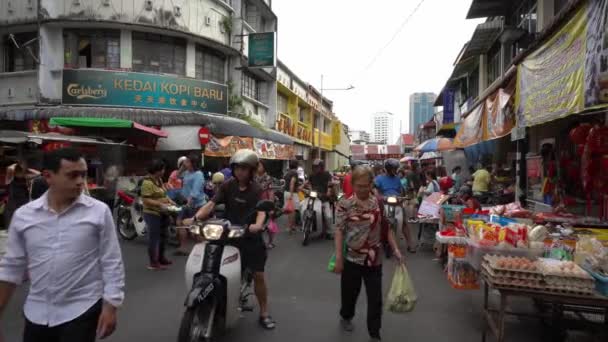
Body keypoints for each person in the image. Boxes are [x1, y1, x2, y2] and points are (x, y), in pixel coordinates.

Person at [0, 148, 125, 342]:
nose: (80, 181)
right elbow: (11, 268)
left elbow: (111, 261)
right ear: (49, 176)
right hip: (36, 312)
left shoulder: (98, 213)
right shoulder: (24, 216)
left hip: (82, 310)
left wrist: (111, 306)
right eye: (72, 175)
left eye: (83, 175)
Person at [187, 149, 276, 330]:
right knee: (211, 264)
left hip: (250, 237)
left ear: (251, 170)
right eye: (237, 168)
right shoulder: (227, 185)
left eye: (244, 168)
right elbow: (211, 204)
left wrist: (258, 225)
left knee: (258, 275)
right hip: (228, 235)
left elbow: (261, 211)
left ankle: (264, 312)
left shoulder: (257, 189)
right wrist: (196, 217)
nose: (240, 172)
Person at [334, 165, 403, 342]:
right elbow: (339, 231)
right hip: (352, 258)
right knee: (350, 294)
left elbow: (386, 228)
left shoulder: (378, 203)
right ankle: (346, 316)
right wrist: (339, 259)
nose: (363, 189)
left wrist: (395, 249)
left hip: (374, 259)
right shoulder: (344, 204)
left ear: (371, 184)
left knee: (375, 299)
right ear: (353, 185)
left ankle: (374, 333)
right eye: (359, 185)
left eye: (366, 185)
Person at [374, 159, 415, 253]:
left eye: (396, 168)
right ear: (388, 168)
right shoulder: (379, 178)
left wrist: (403, 196)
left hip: (397, 203)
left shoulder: (397, 179)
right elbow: (375, 190)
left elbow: (401, 190)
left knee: (404, 222)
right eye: (393, 168)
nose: (395, 170)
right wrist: (380, 197)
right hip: (385, 203)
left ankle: (410, 244)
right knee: (380, 222)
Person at [140, 159, 175, 270]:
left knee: (163, 236)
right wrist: (160, 204)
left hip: (163, 212)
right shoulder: (147, 183)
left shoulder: (158, 180)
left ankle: (161, 258)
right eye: (162, 169)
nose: (164, 171)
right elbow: (146, 200)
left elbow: (164, 193)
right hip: (152, 213)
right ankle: (153, 262)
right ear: (156, 170)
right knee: (154, 238)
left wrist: (169, 201)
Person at [175, 155, 206, 256]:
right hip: (186, 203)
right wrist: (182, 167)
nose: (185, 163)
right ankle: (183, 247)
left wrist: (188, 203)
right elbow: (177, 176)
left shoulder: (198, 174)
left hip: (196, 205)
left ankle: (204, 247)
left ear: (193, 163)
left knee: (194, 230)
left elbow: (195, 191)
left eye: (187, 162)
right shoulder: (187, 173)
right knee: (180, 223)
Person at [4, 158, 39, 228]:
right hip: (13, 204)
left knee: (23, 224)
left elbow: (38, 173)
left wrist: (27, 169)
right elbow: (9, 168)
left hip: (24, 203)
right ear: (15, 171)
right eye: (19, 171)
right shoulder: (10, 178)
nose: (20, 173)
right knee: (12, 225)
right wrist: (16, 165)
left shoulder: (25, 177)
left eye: (21, 171)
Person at [304, 159, 334, 239]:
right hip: (314, 198)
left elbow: (330, 184)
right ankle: (306, 225)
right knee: (304, 207)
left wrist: (328, 191)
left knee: (328, 216)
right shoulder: (311, 175)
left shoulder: (327, 175)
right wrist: (306, 187)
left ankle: (329, 232)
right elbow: (308, 183)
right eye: (315, 167)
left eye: (318, 167)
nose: (316, 168)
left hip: (323, 198)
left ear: (322, 167)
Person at [255, 161, 276, 249]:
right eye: (257, 166)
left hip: (265, 202)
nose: (258, 167)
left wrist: (271, 206)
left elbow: (271, 192)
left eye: (259, 165)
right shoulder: (253, 177)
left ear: (264, 167)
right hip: (255, 202)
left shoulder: (268, 178)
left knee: (269, 223)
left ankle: (270, 242)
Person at [283, 160, 300, 233]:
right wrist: (291, 194)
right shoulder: (294, 173)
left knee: (289, 210)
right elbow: (292, 183)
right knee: (293, 211)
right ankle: (291, 227)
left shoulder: (288, 172)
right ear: (297, 166)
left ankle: (291, 226)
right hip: (291, 193)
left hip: (286, 192)